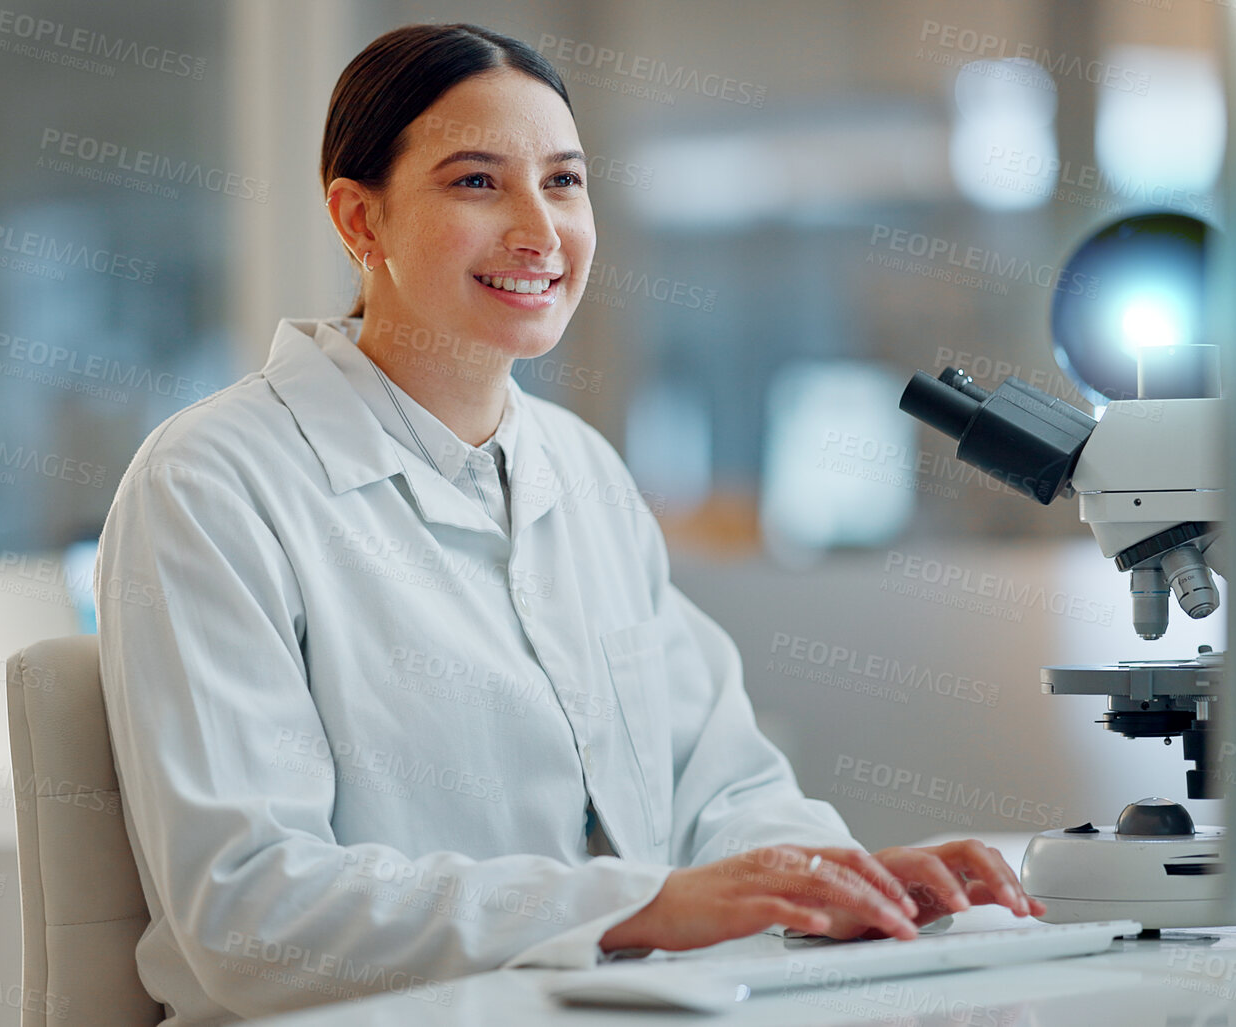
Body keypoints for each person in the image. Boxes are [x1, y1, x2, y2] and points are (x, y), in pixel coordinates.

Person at [95, 22, 1045, 1025]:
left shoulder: (579, 471)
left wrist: (835, 881)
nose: (539, 230)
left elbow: (715, 782)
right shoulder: (215, 482)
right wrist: (641, 904)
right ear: (358, 220)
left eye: (563, 181)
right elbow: (250, 910)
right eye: (475, 182)